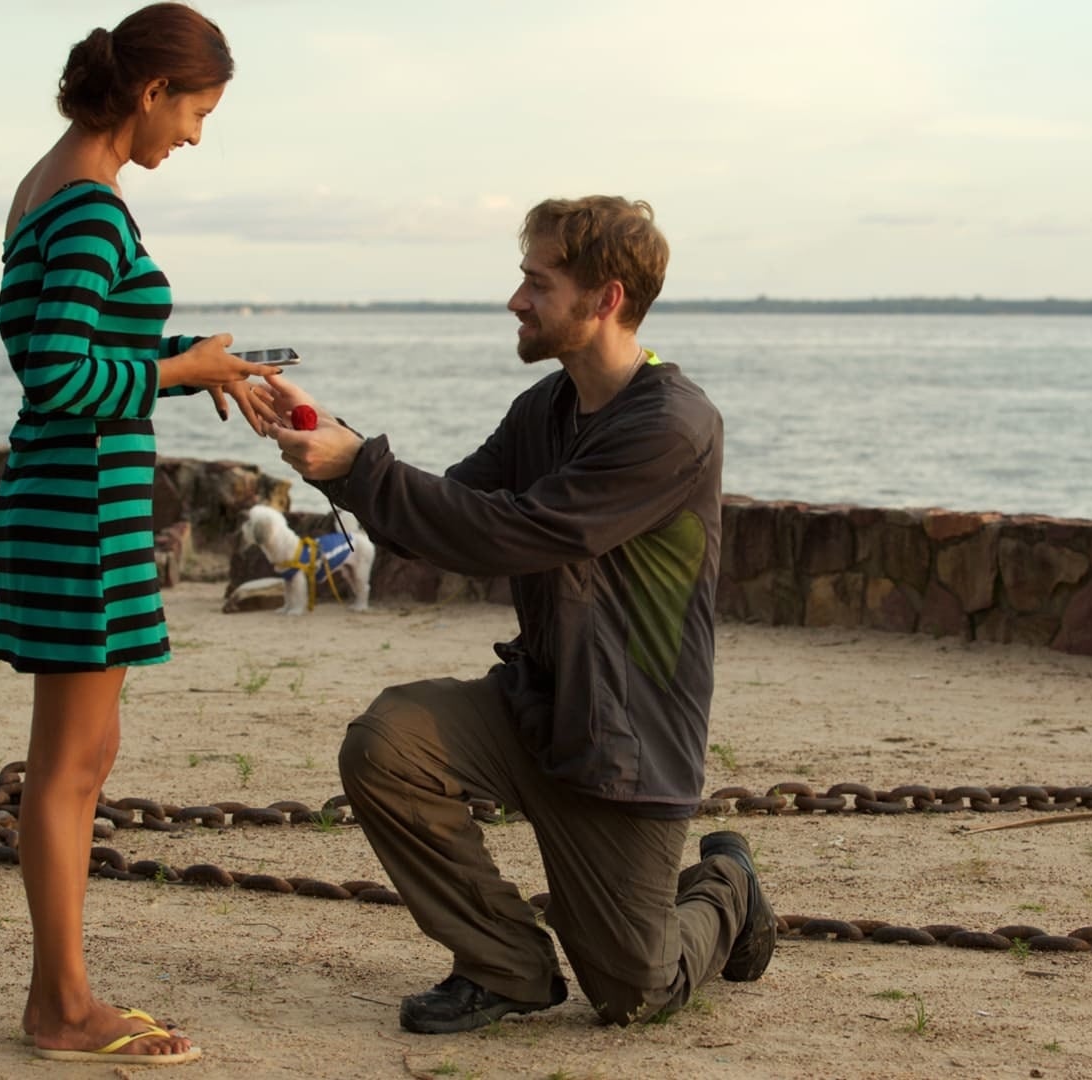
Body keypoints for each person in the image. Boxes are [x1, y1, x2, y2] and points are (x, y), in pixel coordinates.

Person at [260, 196, 775, 1033]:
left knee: (634, 990)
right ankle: (505, 967)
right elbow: (452, 509)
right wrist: (332, 450)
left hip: (627, 748)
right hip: (537, 711)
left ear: (605, 298)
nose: (516, 300)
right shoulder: (545, 407)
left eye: (537, 282)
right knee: (387, 744)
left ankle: (729, 890)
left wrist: (362, 468)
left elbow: (519, 533)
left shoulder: (673, 426)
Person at [0, 3, 279, 1065]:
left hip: (78, 503)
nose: (195, 137)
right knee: (69, 766)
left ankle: (61, 997)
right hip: (77, 508)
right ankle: (60, 1008)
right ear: (152, 93)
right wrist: (177, 371)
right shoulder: (87, 205)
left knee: (83, 756)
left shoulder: (56, 188)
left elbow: (78, 342)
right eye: (198, 112)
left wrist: (194, 360)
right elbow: (59, 375)